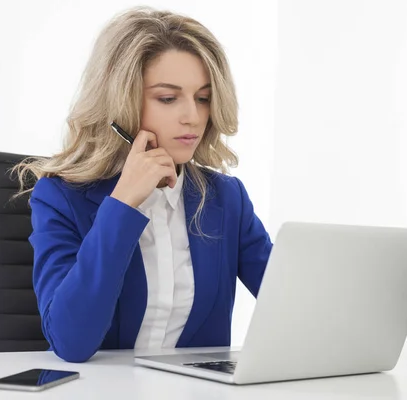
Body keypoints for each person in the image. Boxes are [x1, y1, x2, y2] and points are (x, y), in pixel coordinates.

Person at [15, 6, 272, 363]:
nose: (193, 116)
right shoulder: (60, 197)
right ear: (120, 102)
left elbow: (293, 307)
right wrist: (122, 204)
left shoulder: (227, 199)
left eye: (203, 98)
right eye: (168, 98)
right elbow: (71, 342)